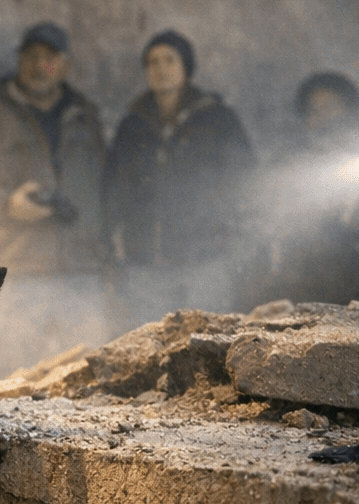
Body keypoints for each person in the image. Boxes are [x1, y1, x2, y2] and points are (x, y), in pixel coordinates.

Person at [0, 21, 111, 377]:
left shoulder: (86, 117)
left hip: (81, 274)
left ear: (65, 66)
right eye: (30, 56)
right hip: (18, 278)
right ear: (19, 62)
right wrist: (6, 204)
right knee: (17, 385)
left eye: (49, 57)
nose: (38, 65)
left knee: (87, 388)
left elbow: (105, 189)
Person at [103, 29, 255, 321]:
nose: (161, 69)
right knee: (150, 350)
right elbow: (113, 189)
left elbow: (245, 183)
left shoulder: (219, 119)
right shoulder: (131, 126)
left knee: (208, 342)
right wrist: (114, 247)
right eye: (152, 62)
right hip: (146, 264)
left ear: (186, 66)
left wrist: (238, 242)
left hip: (206, 261)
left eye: (169, 60)